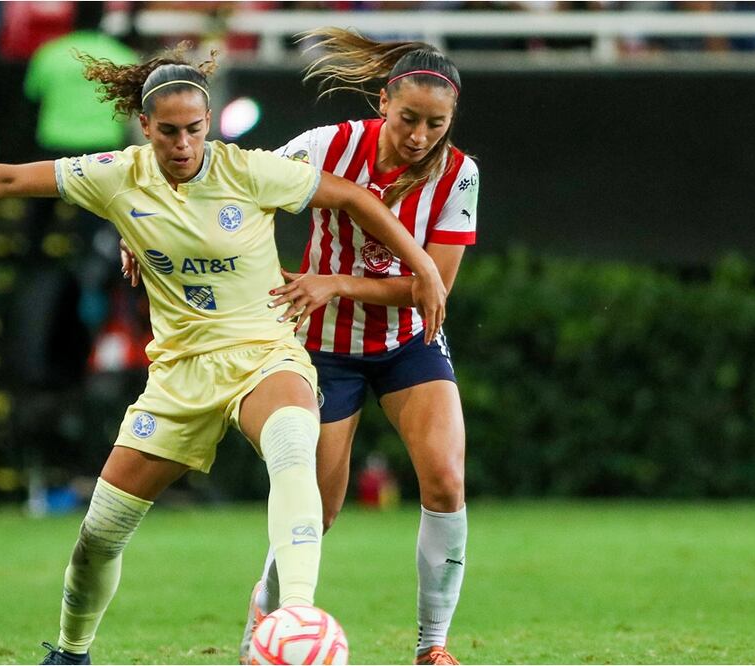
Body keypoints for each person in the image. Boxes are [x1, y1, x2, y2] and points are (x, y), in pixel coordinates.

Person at [0, 42, 449, 665]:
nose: (183, 144)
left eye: (194, 129)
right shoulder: (117, 176)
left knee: (294, 452)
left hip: (263, 354)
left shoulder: (248, 170)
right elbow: (9, 176)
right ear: (145, 127)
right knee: (99, 535)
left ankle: (297, 617)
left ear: (208, 124)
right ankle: (70, 651)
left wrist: (424, 272)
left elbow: (357, 199)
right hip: (177, 376)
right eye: (168, 132)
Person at [241, 29, 479, 666]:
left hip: (409, 342)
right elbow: (238, 185)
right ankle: (264, 625)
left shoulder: (460, 175)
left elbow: (430, 290)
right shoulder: (327, 146)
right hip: (322, 347)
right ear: (382, 103)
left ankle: (433, 647)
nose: (420, 136)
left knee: (447, 481)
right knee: (317, 510)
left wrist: (335, 282)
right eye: (409, 119)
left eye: (436, 123)